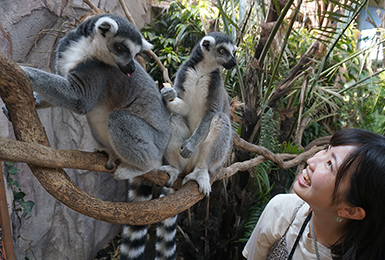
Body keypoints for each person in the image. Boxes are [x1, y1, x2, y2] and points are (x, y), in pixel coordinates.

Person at [242, 128, 385, 260]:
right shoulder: (282, 211)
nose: (311, 161)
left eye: (330, 164)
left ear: (350, 210)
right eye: (325, 150)